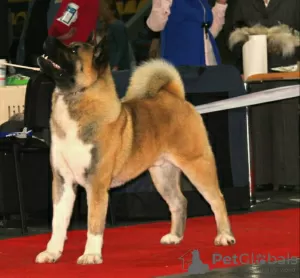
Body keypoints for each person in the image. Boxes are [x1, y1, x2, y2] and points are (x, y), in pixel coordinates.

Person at [228, 0, 300, 191]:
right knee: (259, 122)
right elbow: (233, 36)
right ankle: (262, 178)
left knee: (287, 123)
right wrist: (241, 62)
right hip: (255, 72)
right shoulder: (243, 4)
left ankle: (289, 179)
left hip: (288, 70)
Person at [146, 0, 228, 66]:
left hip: (209, 63)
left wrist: (220, 3)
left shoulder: (203, 2)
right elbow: (155, 25)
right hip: (183, 67)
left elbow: (209, 34)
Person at [102, 2, 131, 71]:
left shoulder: (117, 25)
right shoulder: (107, 26)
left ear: (113, 11)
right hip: (110, 63)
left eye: (106, 9)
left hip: (119, 66)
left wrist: (116, 64)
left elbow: (122, 47)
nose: (103, 11)